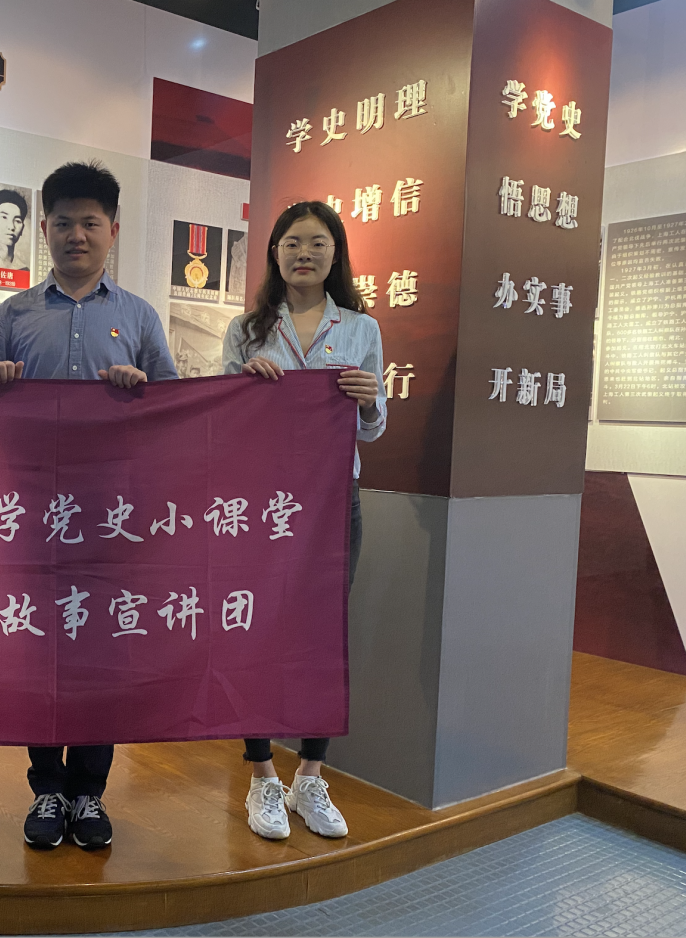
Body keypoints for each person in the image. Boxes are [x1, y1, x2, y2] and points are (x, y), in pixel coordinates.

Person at [0, 160, 178, 851]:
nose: (76, 235)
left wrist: (141, 391)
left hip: (111, 515)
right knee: (40, 652)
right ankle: (47, 788)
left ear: (113, 230)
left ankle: (89, 791)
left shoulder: (138, 316)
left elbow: (174, 413)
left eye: (90, 222)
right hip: (33, 512)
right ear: (45, 230)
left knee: (101, 653)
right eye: (63, 222)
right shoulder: (13, 314)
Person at [221, 200, 385, 842]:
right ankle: (262, 775)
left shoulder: (361, 328)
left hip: (333, 501)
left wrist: (369, 402)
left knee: (324, 636)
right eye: (292, 243)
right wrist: (244, 387)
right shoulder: (247, 329)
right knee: (254, 630)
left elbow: (371, 428)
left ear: (335, 253)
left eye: (317, 243)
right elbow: (221, 419)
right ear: (275, 253)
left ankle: (310, 776)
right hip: (263, 503)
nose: (304, 254)